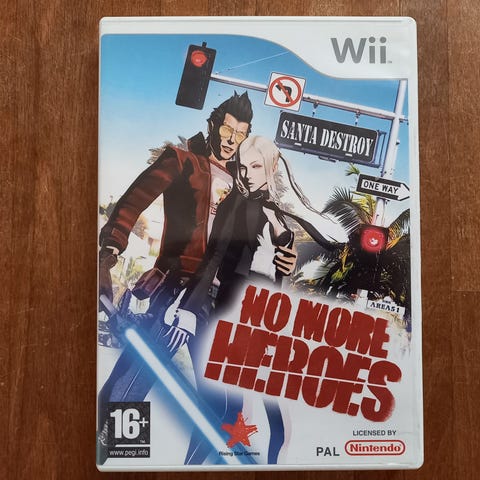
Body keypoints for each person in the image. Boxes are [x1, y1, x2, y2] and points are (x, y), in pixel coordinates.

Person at [96, 92, 254, 463]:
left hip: (217, 302)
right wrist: (109, 253)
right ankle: (100, 457)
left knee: (225, 406)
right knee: (132, 383)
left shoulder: (244, 185)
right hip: (177, 289)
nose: (231, 140)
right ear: (213, 125)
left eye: (240, 134)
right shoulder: (184, 161)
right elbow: (134, 200)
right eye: (227, 130)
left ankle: (193, 469)